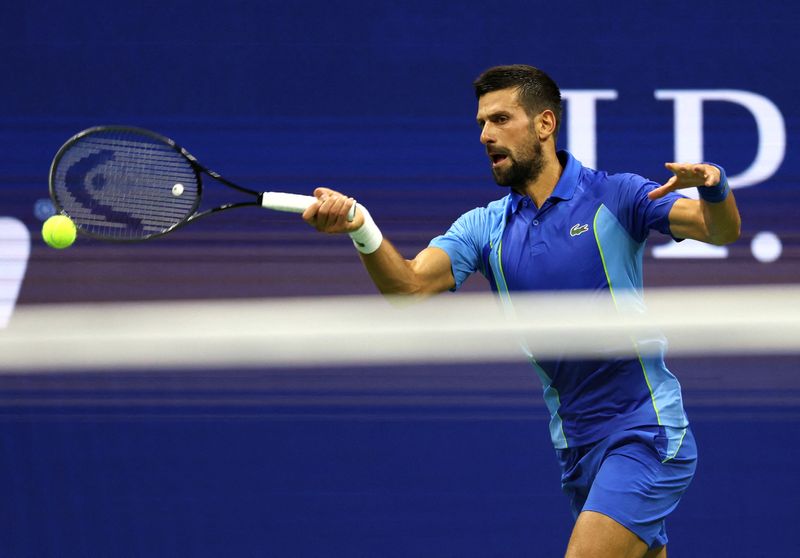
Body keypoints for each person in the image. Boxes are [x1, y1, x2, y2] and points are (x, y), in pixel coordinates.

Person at [301, 64, 741, 558]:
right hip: (576, 446)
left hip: (645, 431)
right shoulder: (483, 227)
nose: (486, 135)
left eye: (501, 119)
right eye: (482, 124)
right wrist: (361, 226)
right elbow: (410, 286)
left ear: (544, 124)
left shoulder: (615, 196)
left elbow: (719, 230)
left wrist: (714, 185)